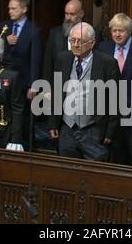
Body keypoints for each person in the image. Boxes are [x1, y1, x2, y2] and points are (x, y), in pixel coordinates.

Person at [48, 22, 120, 161]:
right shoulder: (63, 59)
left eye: (80, 41)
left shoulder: (108, 63)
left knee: (94, 175)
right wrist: (52, 123)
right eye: (72, 40)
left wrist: (110, 133)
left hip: (94, 129)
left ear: (92, 43)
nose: (75, 45)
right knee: (66, 173)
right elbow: (56, 93)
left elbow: (115, 100)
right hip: (67, 128)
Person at [96, 13, 132, 165]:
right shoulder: (103, 47)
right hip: (107, 109)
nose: (117, 34)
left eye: (121, 31)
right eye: (114, 30)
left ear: (129, 31)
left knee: (128, 151)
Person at [0, 0, 43, 150]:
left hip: (23, 83)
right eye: (9, 8)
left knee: (23, 120)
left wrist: (33, 85)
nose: (10, 11)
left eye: (13, 8)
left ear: (24, 9)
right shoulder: (3, 26)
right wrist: (4, 41)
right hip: (3, 82)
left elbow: (36, 60)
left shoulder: (34, 31)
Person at [42, 0, 84, 83]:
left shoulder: (92, 33)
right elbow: (48, 64)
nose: (68, 18)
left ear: (81, 14)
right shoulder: (55, 33)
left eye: (72, 14)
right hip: (59, 84)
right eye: (66, 14)